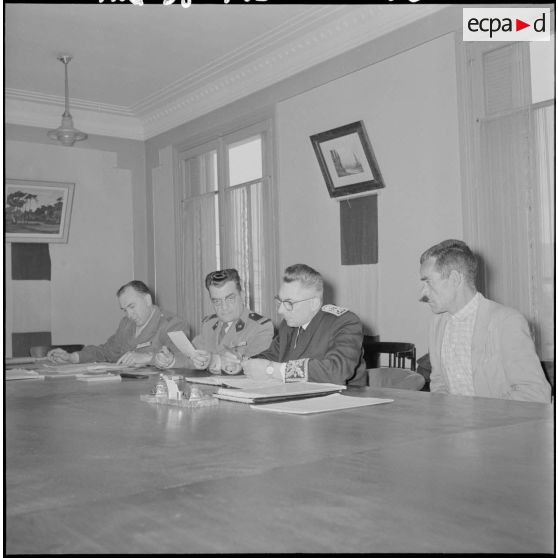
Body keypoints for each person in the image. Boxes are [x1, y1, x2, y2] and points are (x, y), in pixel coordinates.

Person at [419, 239, 550, 403]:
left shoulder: (507, 322)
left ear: (454, 279)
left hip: (499, 419)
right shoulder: (437, 323)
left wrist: (480, 415)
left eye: (428, 282)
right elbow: (439, 384)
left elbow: (535, 394)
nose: (422, 293)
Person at [243, 263, 366, 386]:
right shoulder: (288, 325)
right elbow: (271, 356)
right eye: (280, 301)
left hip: (344, 396)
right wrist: (244, 363)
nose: (280, 310)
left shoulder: (344, 322)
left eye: (289, 303)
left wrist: (271, 370)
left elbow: (337, 371)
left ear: (314, 304)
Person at [154, 268, 274, 374]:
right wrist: (170, 360)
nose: (224, 307)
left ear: (242, 296)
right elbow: (192, 356)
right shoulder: (209, 325)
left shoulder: (261, 327)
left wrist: (213, 361)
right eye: (217, 301)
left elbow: (256, 367)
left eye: (230, 299)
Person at [47, 280, 188, 366]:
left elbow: (184, 360)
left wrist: (147, 358)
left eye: (132, 307)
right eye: (124, 310)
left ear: (147, 300)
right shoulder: (126, 325)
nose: (129, 315)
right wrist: (72, 357)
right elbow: (106, 351)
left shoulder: (173, 324)